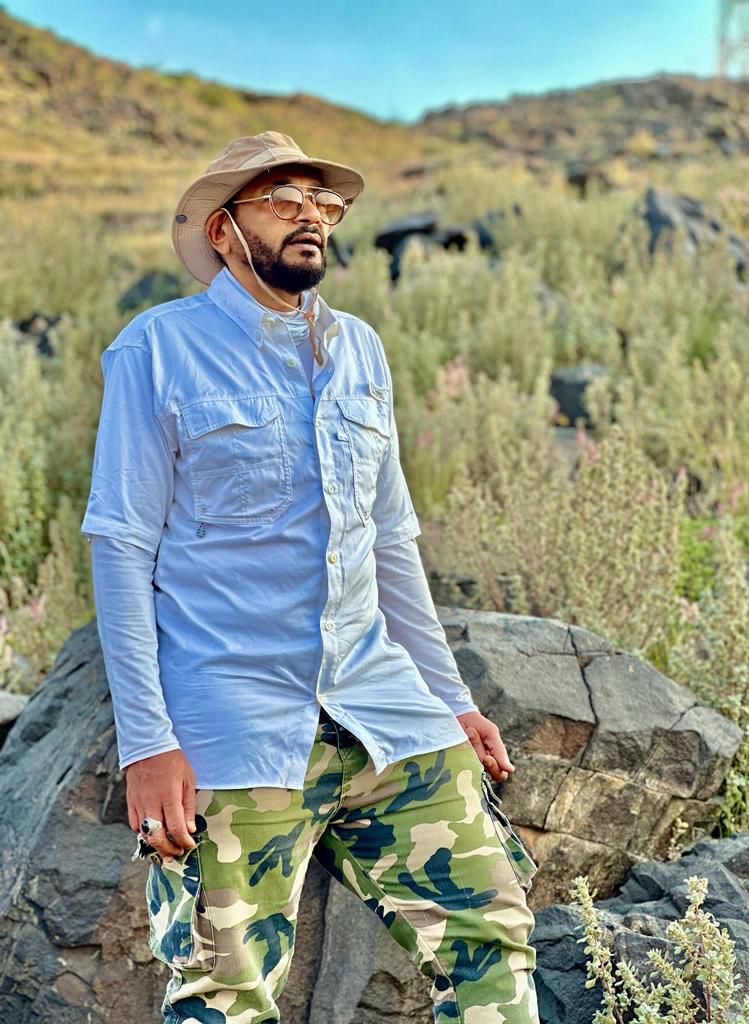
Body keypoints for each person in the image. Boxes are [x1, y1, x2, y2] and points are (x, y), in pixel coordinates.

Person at [80, 131, 540, 1024]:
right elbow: (122, 546)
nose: (312, 220)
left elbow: (390, 539)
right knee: (226, 995)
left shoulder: (360, 348)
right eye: (284, 202)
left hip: (385, 714)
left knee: (494, 936)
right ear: (222, 230)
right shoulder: (157, 349)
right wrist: (146, 744)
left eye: (323, 206)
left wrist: (450, 698)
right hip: (235, 729)